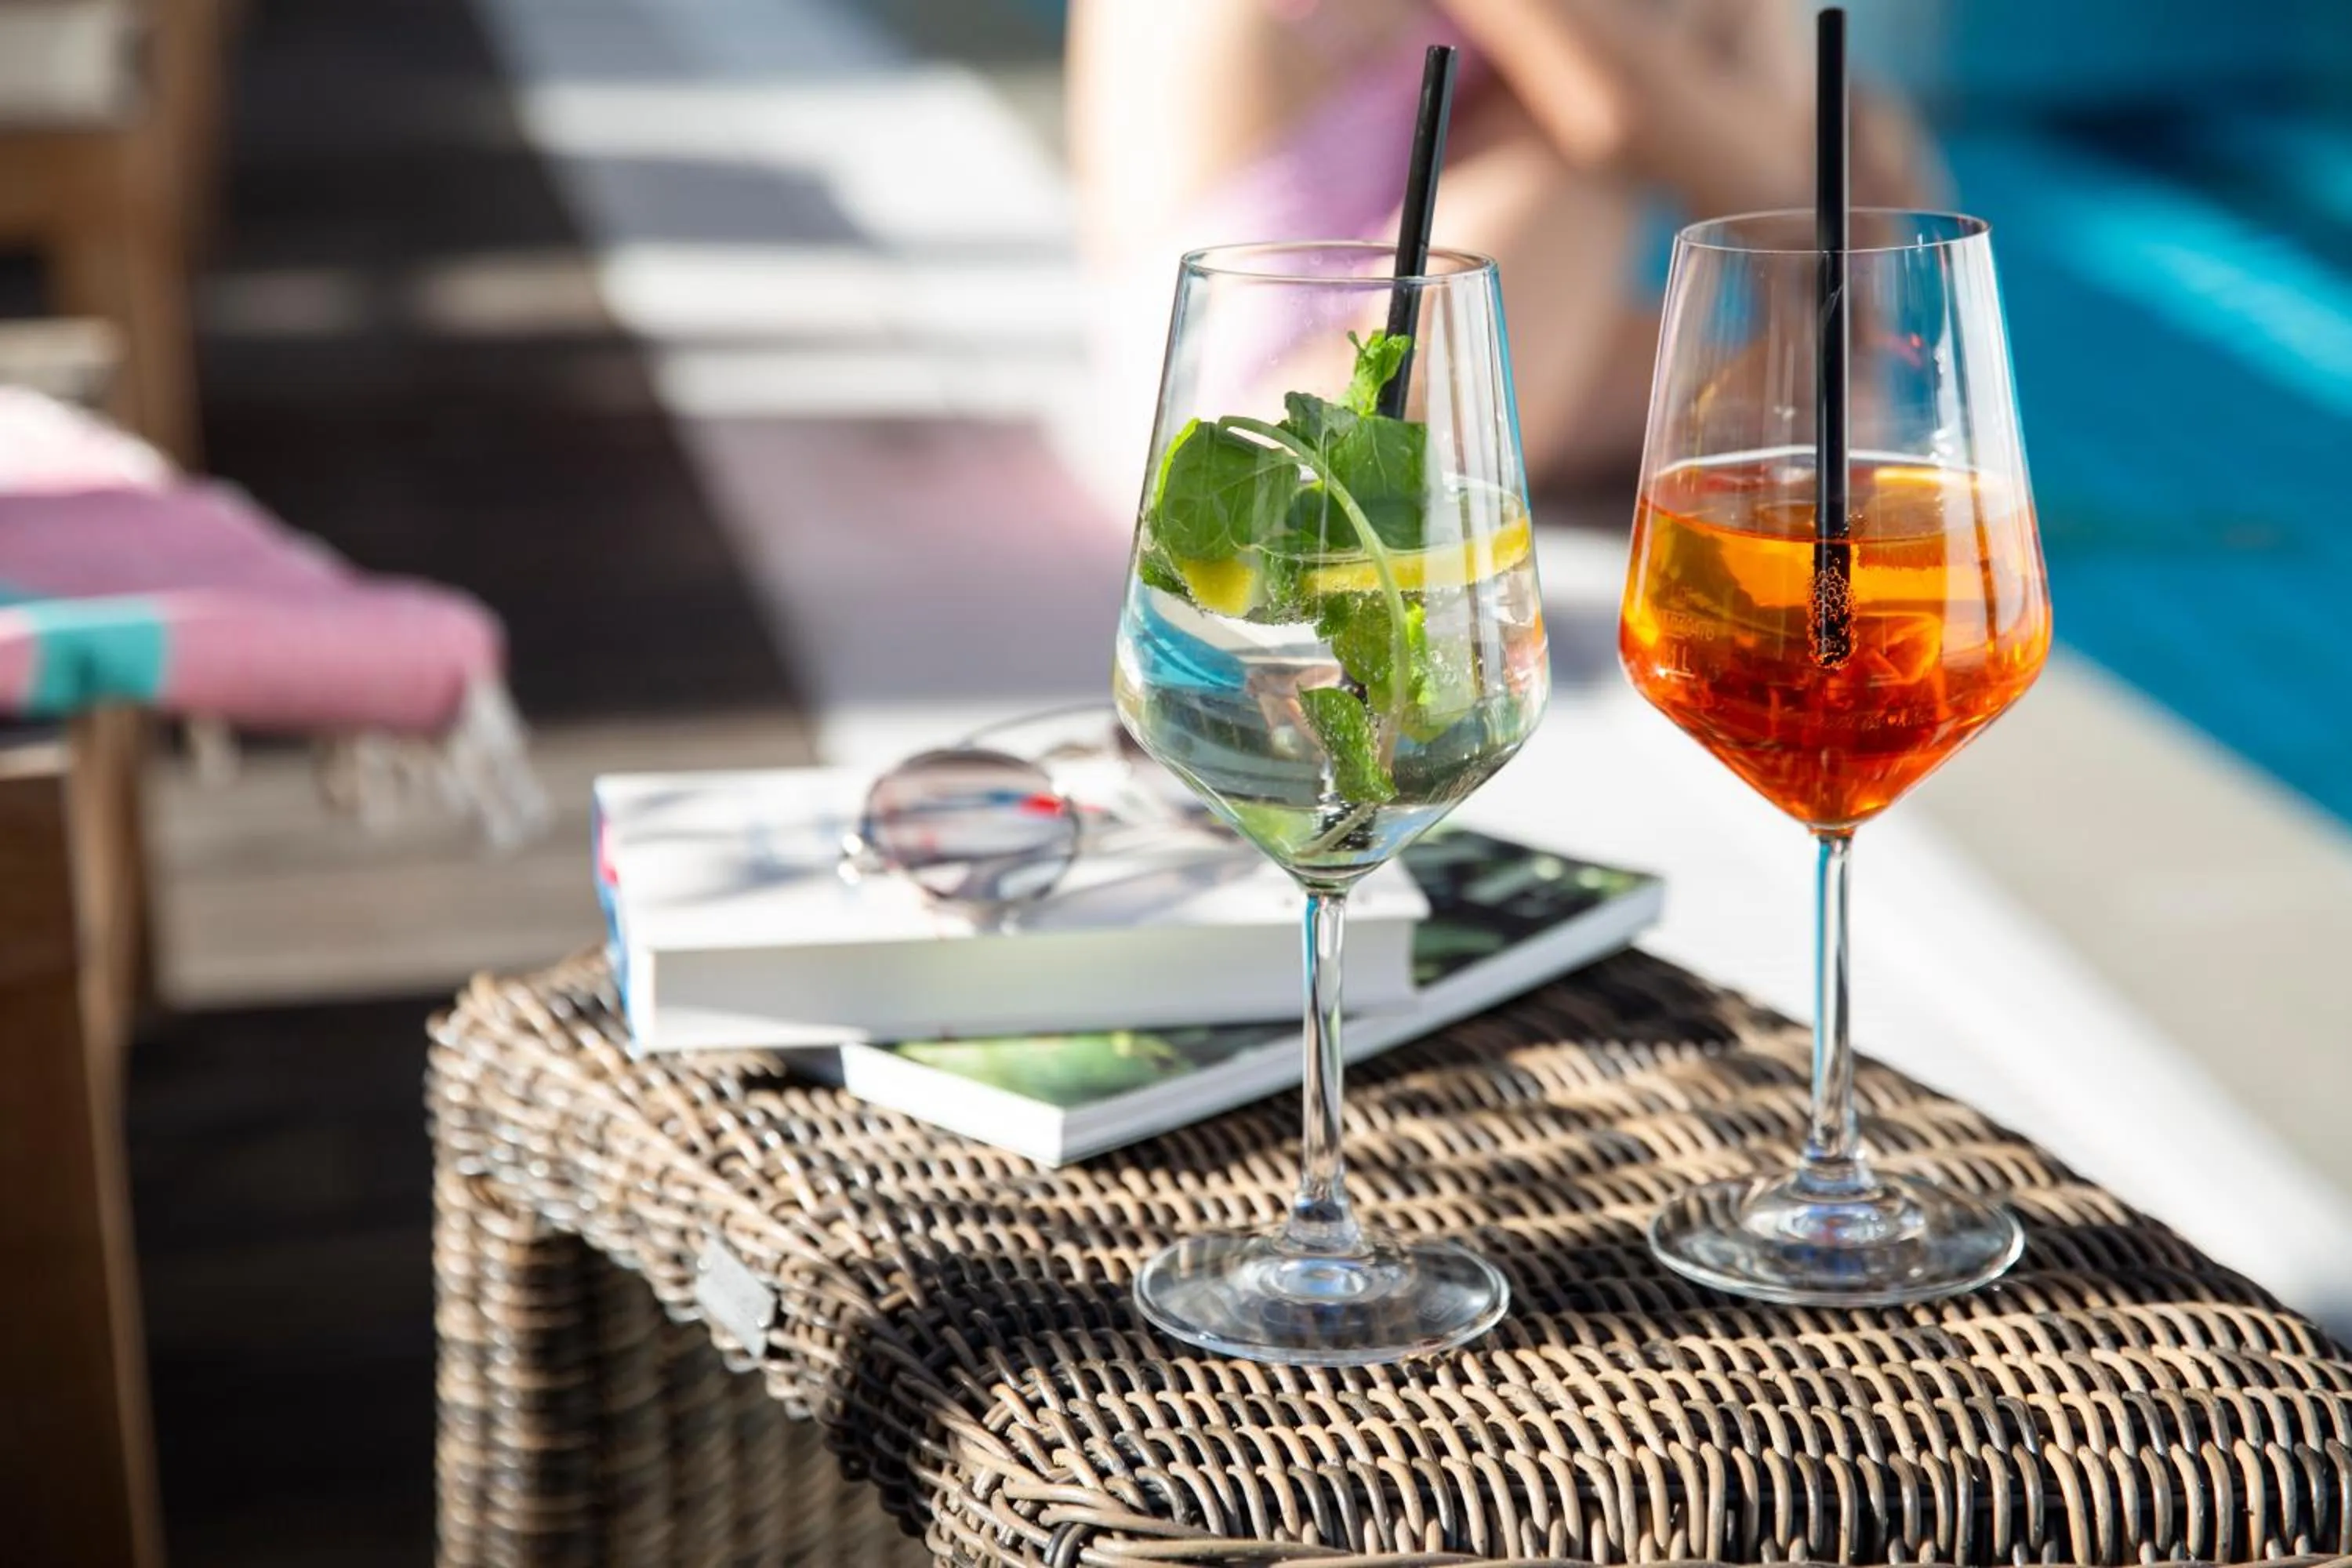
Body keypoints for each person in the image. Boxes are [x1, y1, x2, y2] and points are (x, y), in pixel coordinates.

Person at [1067, 0, 1944, 491]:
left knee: (1787, 401)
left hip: (1220, 373)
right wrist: (1865, 208)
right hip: (1267, 416)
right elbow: (1616, 111)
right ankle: (1854, 346)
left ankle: (1839, 368)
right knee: (1621, 109)